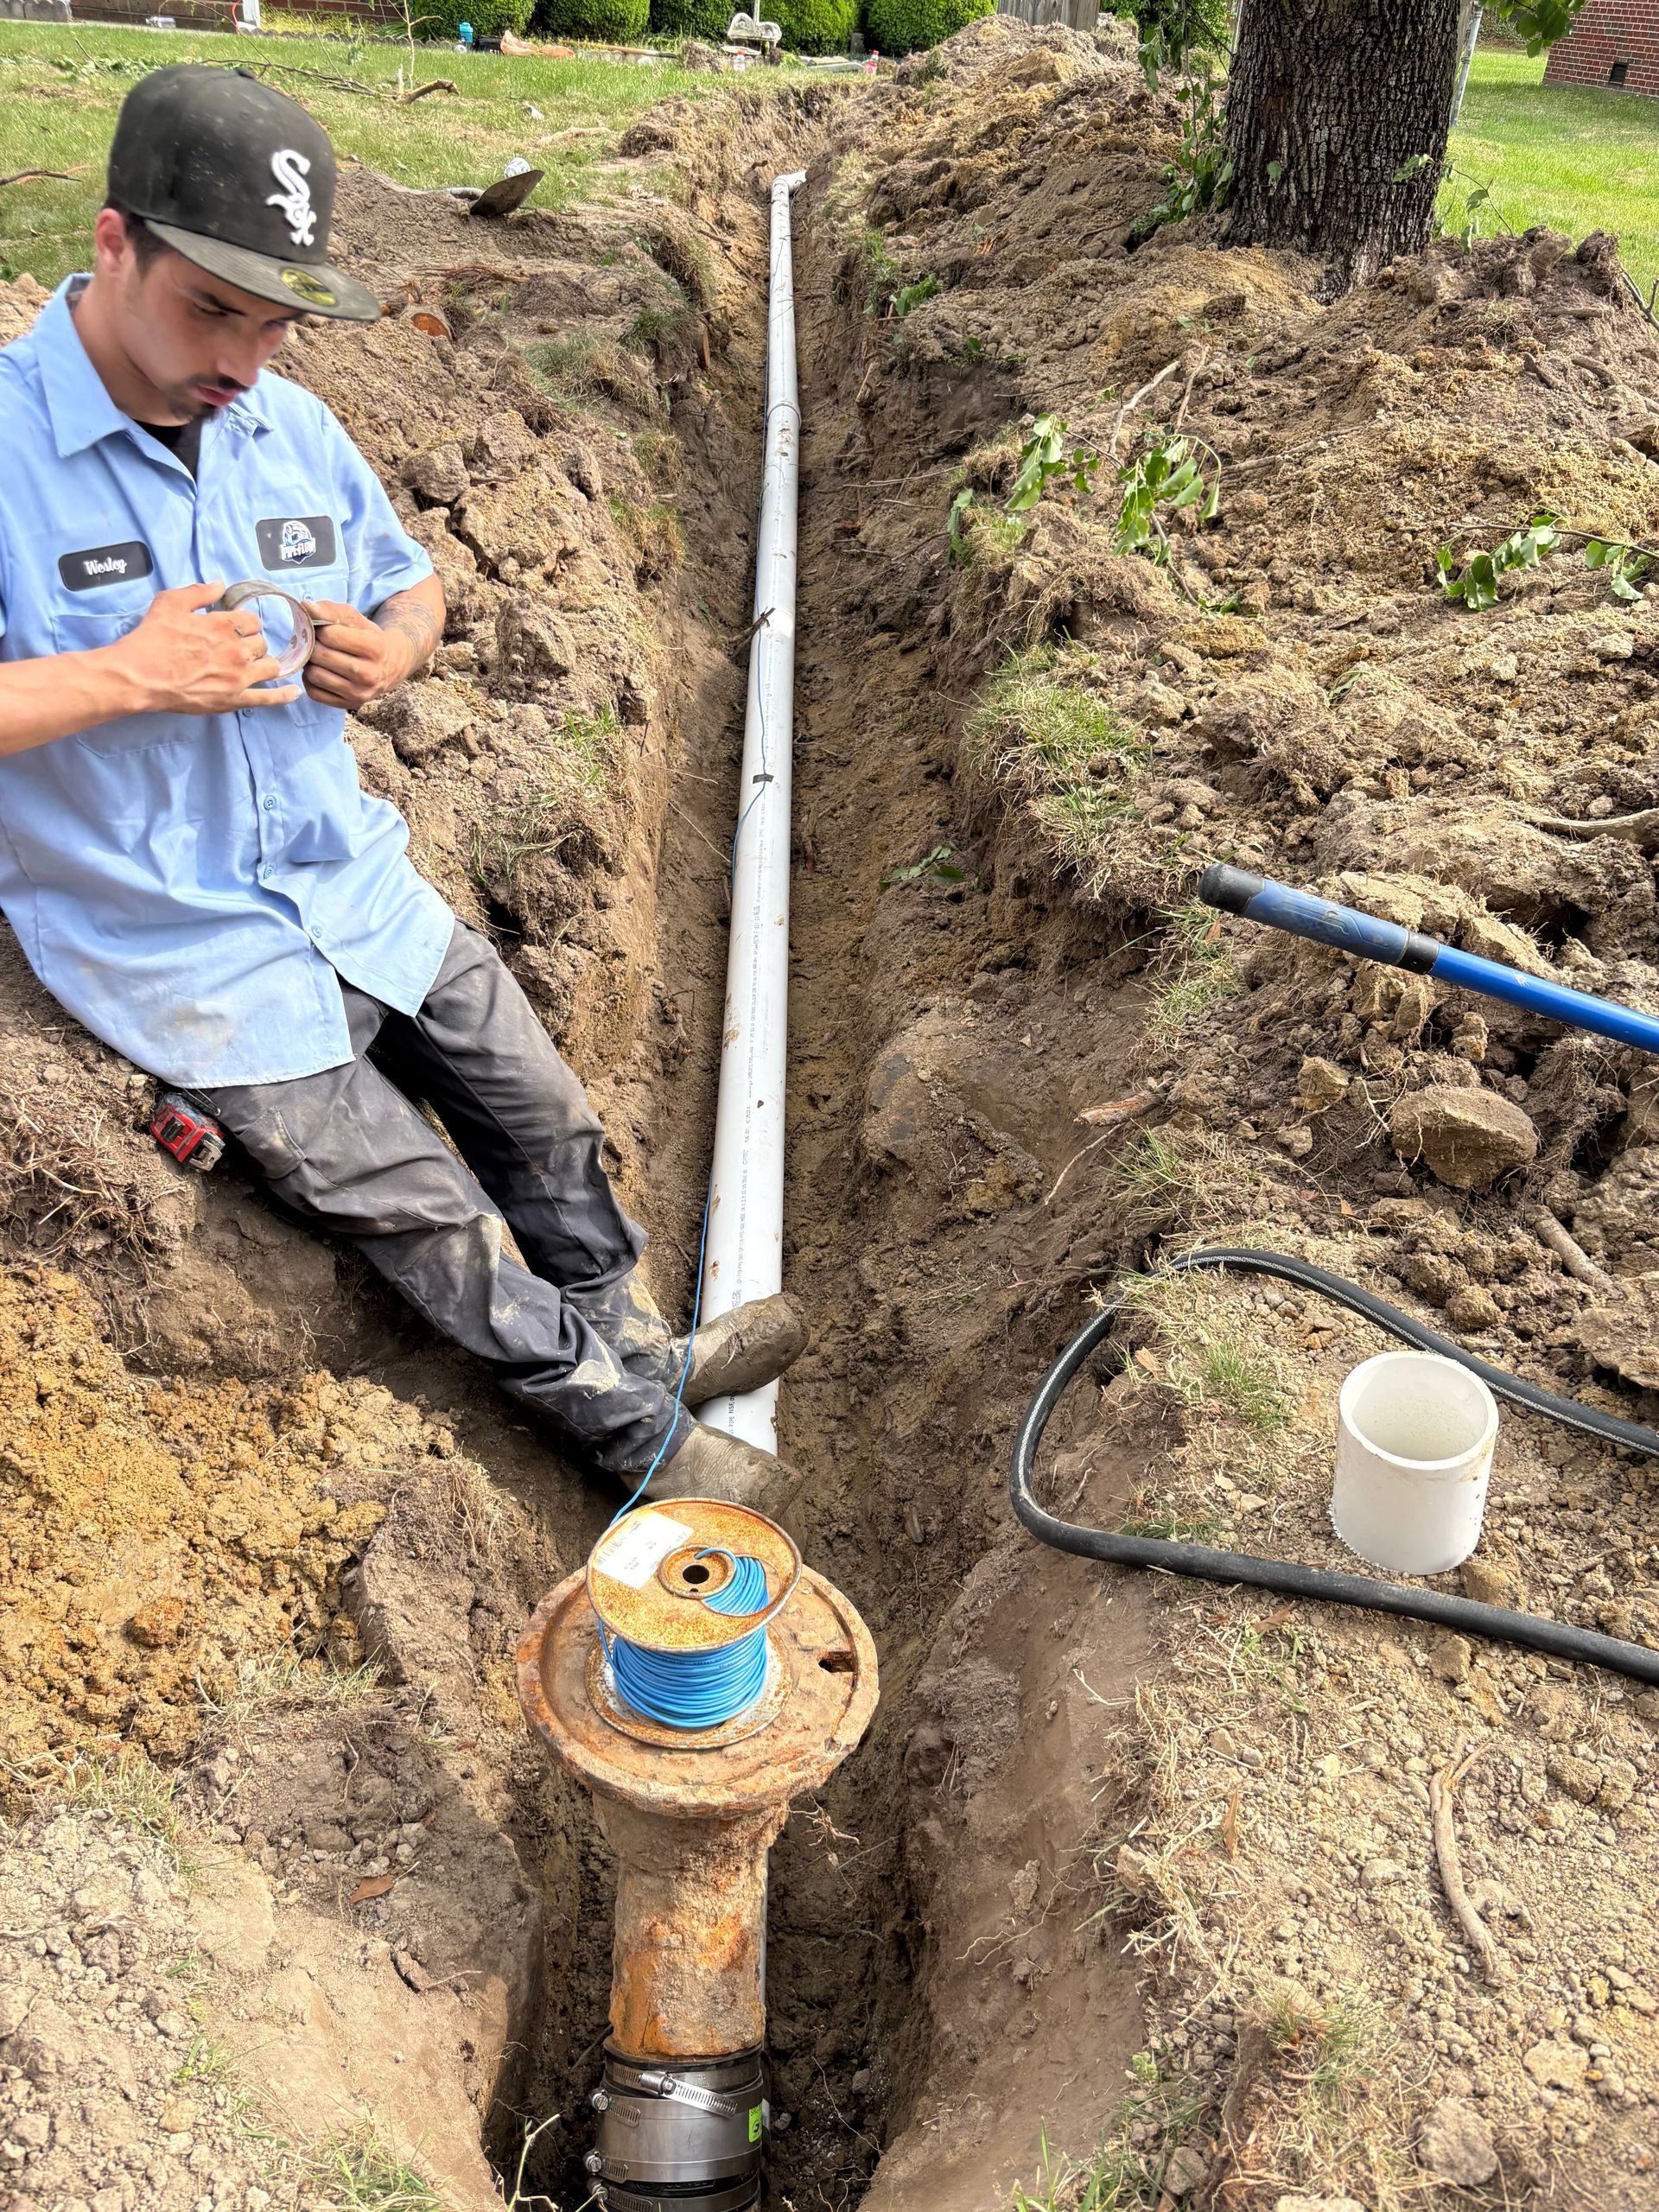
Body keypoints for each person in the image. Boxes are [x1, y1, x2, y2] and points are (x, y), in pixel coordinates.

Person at [0, 66, 804, 1511]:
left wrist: (397, 648)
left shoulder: (288, 432)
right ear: (113, 244)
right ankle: (641, 1447)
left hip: (349, 883)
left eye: (279, 320)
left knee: (542, 1117)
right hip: (182, 951)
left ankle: (638, 1348)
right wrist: (124, 675)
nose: (246, 359)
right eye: (212, 310)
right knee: (434, 1220)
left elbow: (408, 581)